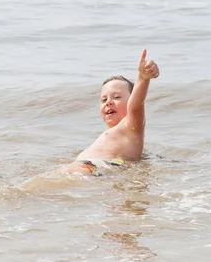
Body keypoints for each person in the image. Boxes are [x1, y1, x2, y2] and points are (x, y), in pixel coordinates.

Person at [62, 49, 160, 177]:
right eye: (104, 99)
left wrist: (143, 77)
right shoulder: (118, 137)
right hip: (94, 169)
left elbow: (135, 107)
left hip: (93, 168)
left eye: (117, 97)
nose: (109, 102)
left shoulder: (131, 126)